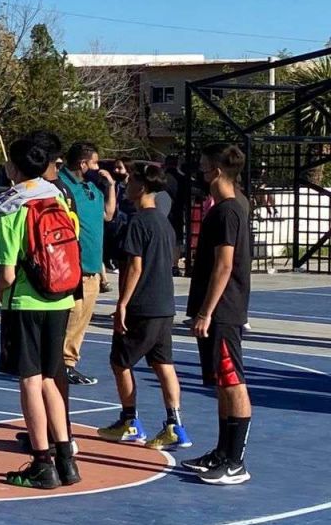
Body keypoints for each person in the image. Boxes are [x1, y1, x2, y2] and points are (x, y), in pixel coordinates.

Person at [0, 136, 80, 490]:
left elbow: (7, 273)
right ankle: (66, 456)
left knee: (29, 379)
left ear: (13, 168)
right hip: (61, 299)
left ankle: (41, 462)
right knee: (50, 378)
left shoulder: (11, 209)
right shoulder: (59, 200)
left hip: (26, 303)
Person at [97, 162, 191, 451]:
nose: (127, 186)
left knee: (120, 361)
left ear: (143, 187)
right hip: (164, 304)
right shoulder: (164, 221)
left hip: (143, 305)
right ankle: (175, 424)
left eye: (132, 181)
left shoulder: (138, 222)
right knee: (164, 363)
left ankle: (129, 420)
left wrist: (123, 303)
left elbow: (134, 267)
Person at [182, 143, 254, 485]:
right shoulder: (232, 204)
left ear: (218, 171)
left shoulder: (228, 210)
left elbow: (224, 266)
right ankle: (223, 452)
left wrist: (206, 312)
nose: (199, 172)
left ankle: (236, 461)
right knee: (222, 385)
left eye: (203, 166)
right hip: (221, 310)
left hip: (224, 311)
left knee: (232, 381)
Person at [57, 142, 116, 386]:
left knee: (82, 319)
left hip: (92, 267)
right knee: (71, 316)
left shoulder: (92, 188)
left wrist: (111, 186)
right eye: (94, 163)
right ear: (83, 164)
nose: (98, 168)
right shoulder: (61, 186)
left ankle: (69, 362)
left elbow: (108, 215)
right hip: (72, 266)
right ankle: (62, 363)